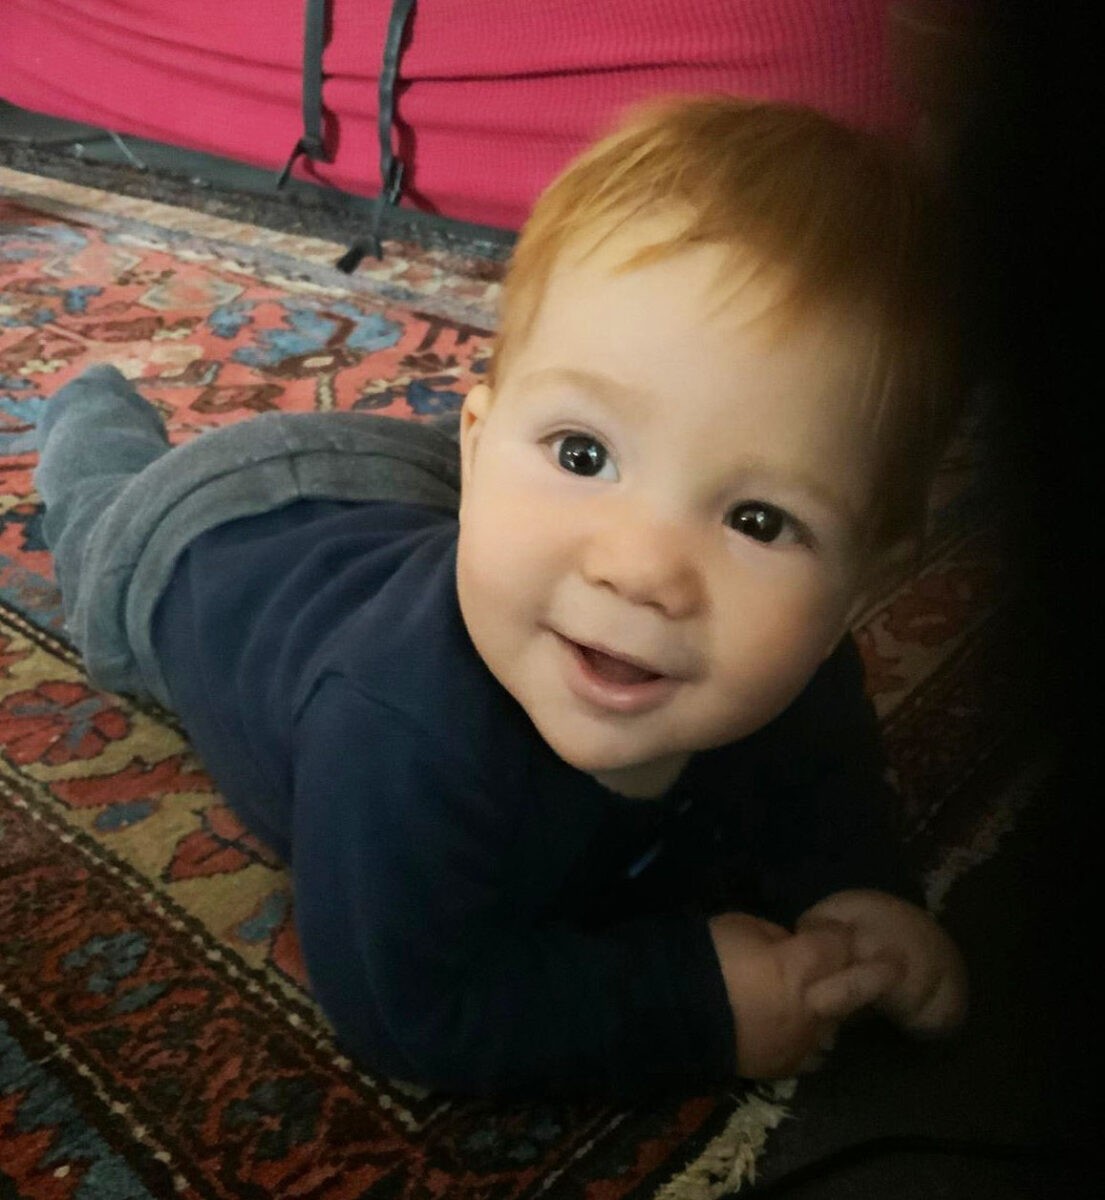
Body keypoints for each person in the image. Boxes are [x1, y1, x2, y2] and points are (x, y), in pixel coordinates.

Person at [34, 96, 967, 1099]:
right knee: (94, 522)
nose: (639, 570)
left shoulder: (798, 662)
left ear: (861, 584)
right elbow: (411, 1009)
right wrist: (696, 1006)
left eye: (758, 520)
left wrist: (858, 891)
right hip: (203, 534)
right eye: (583, 454)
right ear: (479, 448)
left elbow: (823, 789)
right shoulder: (400, 730)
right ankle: (87, 411)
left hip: (398, 488)